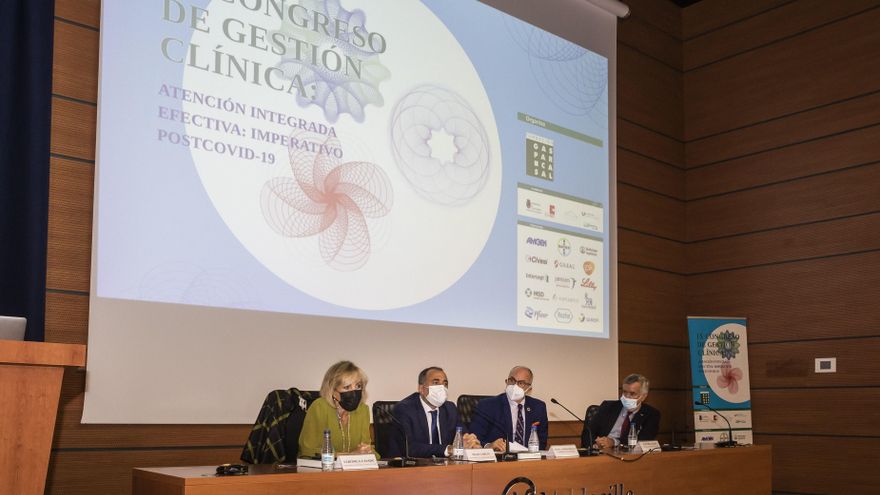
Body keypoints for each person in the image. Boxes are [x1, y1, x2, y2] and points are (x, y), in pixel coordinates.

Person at [387, 366, 481, 458]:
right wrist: (448, 449)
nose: (442, 387)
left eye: (445, 384)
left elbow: (462, 435)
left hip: (446, 466)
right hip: (411, 468)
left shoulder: (450, 408)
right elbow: (409, 448)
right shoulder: (404, 409)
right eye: (436, 382)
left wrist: (469, 442)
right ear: (421, 389)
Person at [299, 360, 377, 458]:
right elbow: (308, 450)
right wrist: (350, 456)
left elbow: (365, 446)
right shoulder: (319, 407)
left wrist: (367, 451)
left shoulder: (362, 410)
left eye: (358, 386)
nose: (354, 392)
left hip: (354, 470)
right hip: (321, 470)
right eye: (347, 387)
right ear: (332, 390)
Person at [469, 365, 548, 451]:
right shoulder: (487, 406)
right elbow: (474, 440)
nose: (515, 386)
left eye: (521, 383)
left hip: (529, 460)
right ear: (506, 382)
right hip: (498, 460)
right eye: (512, 381)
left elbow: (542, 442)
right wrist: (489, 446)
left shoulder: (538, 407)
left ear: (529, 388)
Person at [583, 373, 660, 449]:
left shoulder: (651, 414)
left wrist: (614, 442)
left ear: (643, 396)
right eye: (625, 392)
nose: (627, 397)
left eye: (632, 394)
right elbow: (588, 433)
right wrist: (595, 445)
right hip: (600, 453)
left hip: (629, 456)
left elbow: (643, 442)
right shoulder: (608, 406)